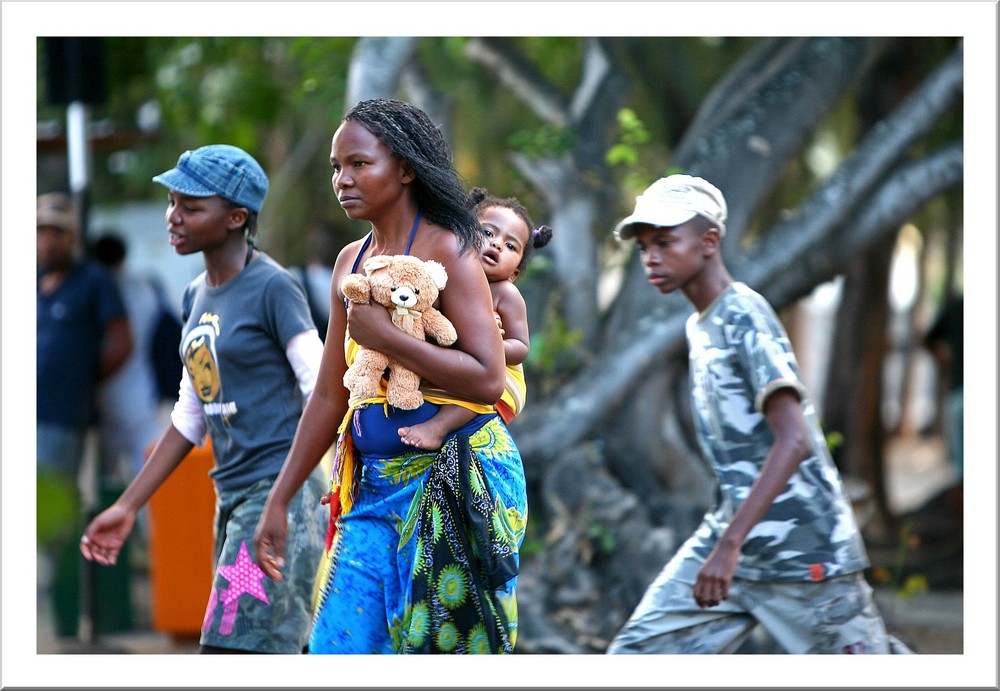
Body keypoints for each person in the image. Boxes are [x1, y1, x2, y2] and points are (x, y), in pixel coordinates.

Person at [253, 99, 527, 654]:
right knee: (337, 649)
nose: (342, 179)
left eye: (359, 164)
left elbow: (487, 378)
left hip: (453, 482)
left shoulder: (451, 248)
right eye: (336, 167)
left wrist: (389, 339)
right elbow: (331, 395)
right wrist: (280, 499)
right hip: (369, 490)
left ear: (405, 169)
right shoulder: (349, 262)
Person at [606, 174, 901, 655]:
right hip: (733, 544)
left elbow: (795, 439)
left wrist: (729, 546)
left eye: (664, 241)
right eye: (642, 247)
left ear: (709, 242)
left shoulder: (744, 313)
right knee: (636, 654)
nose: (651, 258)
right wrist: (726, 541)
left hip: (803, 551)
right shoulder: (699, 325)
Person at [80, 145, 327, 654]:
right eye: (172, 203)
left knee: (232, 652)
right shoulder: (196, 296)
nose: (174, 217)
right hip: (233, 498)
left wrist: (281, 500)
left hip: (278, 495)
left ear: (237, 218)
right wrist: (127, 507)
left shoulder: (274, 288)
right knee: (265, 648)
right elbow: (191, 417)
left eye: (190, 208)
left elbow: (323, 391)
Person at [37, 191, 133, 638]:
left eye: (55, 231)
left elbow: (121, 340)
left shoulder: (92, 281)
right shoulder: (30, 282)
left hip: (61, 418)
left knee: (47, 513)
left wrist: (83, 378)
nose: (46, 240)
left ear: (72, 236)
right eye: (40, 231)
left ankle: (56, 616)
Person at [398, 187, 552, 449]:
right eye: (488, 232)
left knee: (480, 393)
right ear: (463, 235)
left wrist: (492, 346)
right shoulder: (443, 278)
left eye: (510, 245)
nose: (496, 244)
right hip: (460, 366)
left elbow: (521, 346)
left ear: (514, 273)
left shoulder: (506, 293)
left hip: (500, 379)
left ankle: (439, 427)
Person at [91, 233, 165, 482]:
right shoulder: (144, 289)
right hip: (141, 390)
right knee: (147, 472)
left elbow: (123, 344)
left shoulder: (97, 290)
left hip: (105, 392)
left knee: (107, 478)